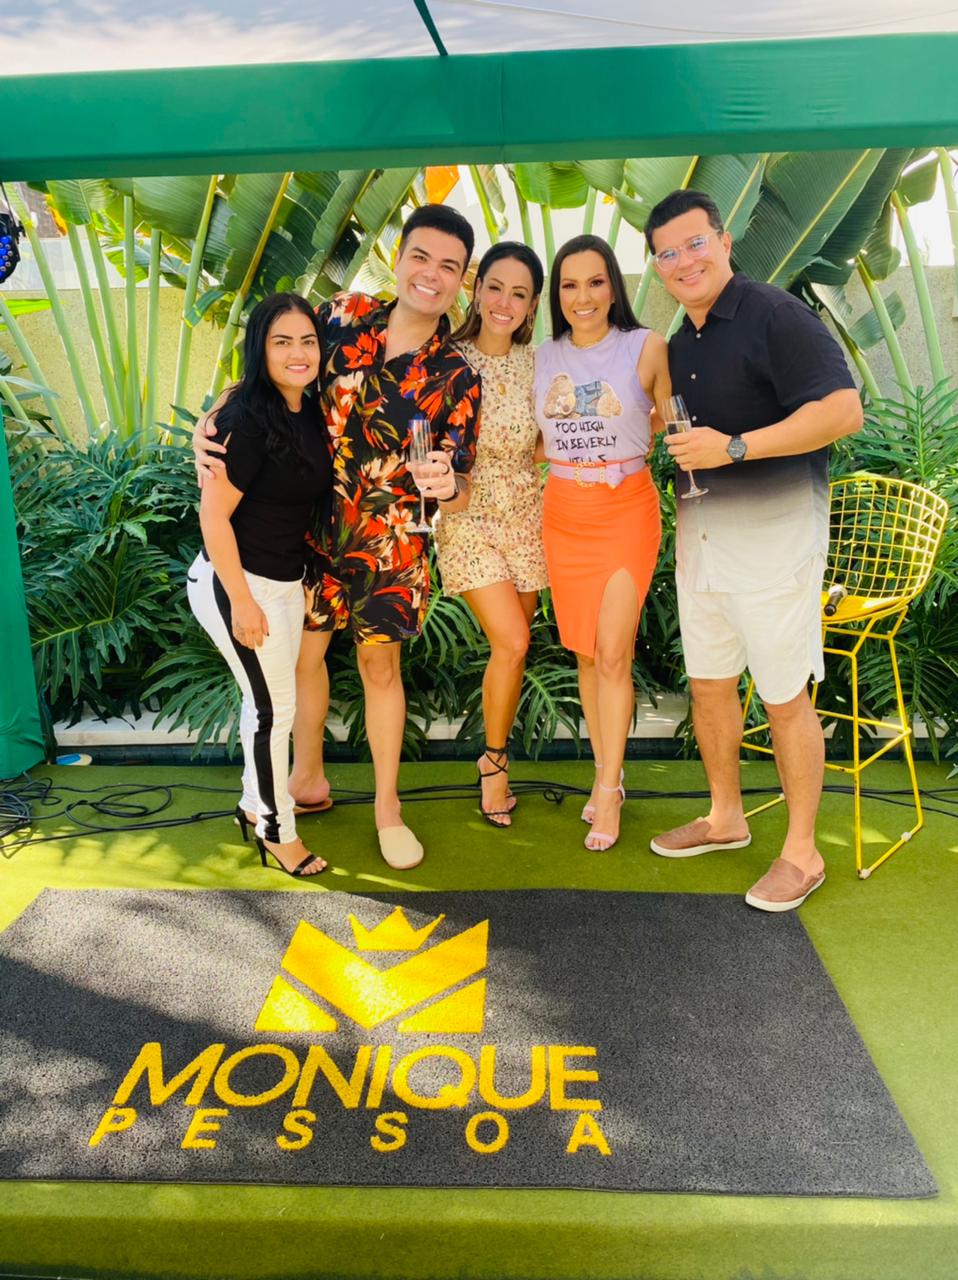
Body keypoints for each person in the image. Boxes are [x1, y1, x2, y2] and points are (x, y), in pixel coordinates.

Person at [193, 205, 482, 871]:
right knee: (304, 660)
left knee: (381, 669)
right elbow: (272, 372)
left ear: (461, 279)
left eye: (449, 266)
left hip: (392, 544)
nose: (431, 274)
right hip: (307, 534)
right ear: (399, 257)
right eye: (421, 256)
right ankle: (306, 778)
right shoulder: (342, 315)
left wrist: (449, 486)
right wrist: (210, 421)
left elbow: (462, 484)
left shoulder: (458, 375)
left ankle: (387, 808)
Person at [644, 188, 863, 912]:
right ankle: (725, 817)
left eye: (694, 243)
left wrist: (735, 447)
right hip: (703, 542)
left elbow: (843, 411)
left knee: (784, 698)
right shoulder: (682, 340)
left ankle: (802, 854)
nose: (684, 261)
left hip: (775, 545)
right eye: (667, 253)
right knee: (710, 685)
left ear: (725, 240)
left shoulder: (775, 314)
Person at [187, 293, 332, 878]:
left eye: (308, 341)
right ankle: (277, 832)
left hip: (284, 581)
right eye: (282, 341)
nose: (298, 353)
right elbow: (213, 516)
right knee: (275, 712)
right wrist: (243, 602)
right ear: (260, 349)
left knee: (267, 706)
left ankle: (254, 805)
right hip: (237, 582)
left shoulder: (305, 409)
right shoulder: (244, 421)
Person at [534, 234, 670, 852]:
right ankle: (602, 771)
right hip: (564, 513)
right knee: (587, 656)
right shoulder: (542, 357)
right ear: (556, 294)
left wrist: (631, 443)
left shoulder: (646, 346)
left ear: (613, 287)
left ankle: (611, 790)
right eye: (569, 284)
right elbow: (536, 438)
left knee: (613, 654)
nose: (582, 296)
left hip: (624, 510)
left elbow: (671, 415)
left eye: (595, 282)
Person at [436, 241, 549, 826]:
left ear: (532, 306)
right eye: (496, 287)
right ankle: (495, 765)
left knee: (514, 649)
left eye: (519, 293)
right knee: (513, 641)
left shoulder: (540, 365)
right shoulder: (445, 360)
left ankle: (494, 752)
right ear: (476, 291)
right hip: (467, 514)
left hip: (527, 512)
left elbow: (554, 435)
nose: (505, 302)